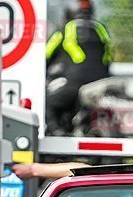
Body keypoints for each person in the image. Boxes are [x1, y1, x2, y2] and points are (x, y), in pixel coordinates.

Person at [45, 0, 112, 134]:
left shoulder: (66, 28)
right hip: (101, 83)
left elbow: (46, 53)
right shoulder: (101, 29)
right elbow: (108, 57)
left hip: (75, 83)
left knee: (47, 103)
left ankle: (58, 133)